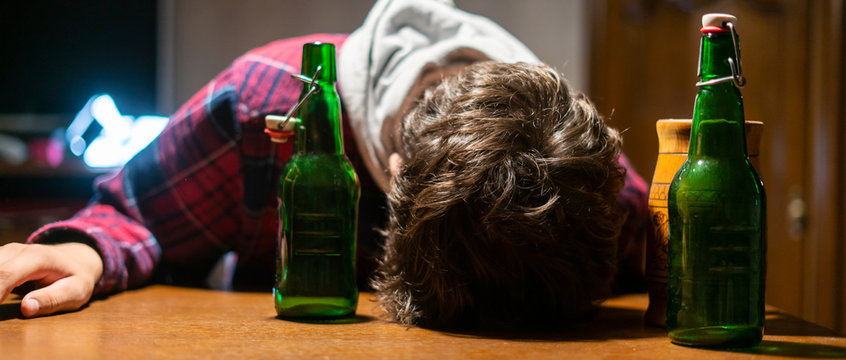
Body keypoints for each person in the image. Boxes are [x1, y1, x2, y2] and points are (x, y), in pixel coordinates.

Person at [0, 0, 648, 328]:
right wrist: (89, 250)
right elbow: (136, 215)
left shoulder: (586, 179)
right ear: (393, 178)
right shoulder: (260, 105)